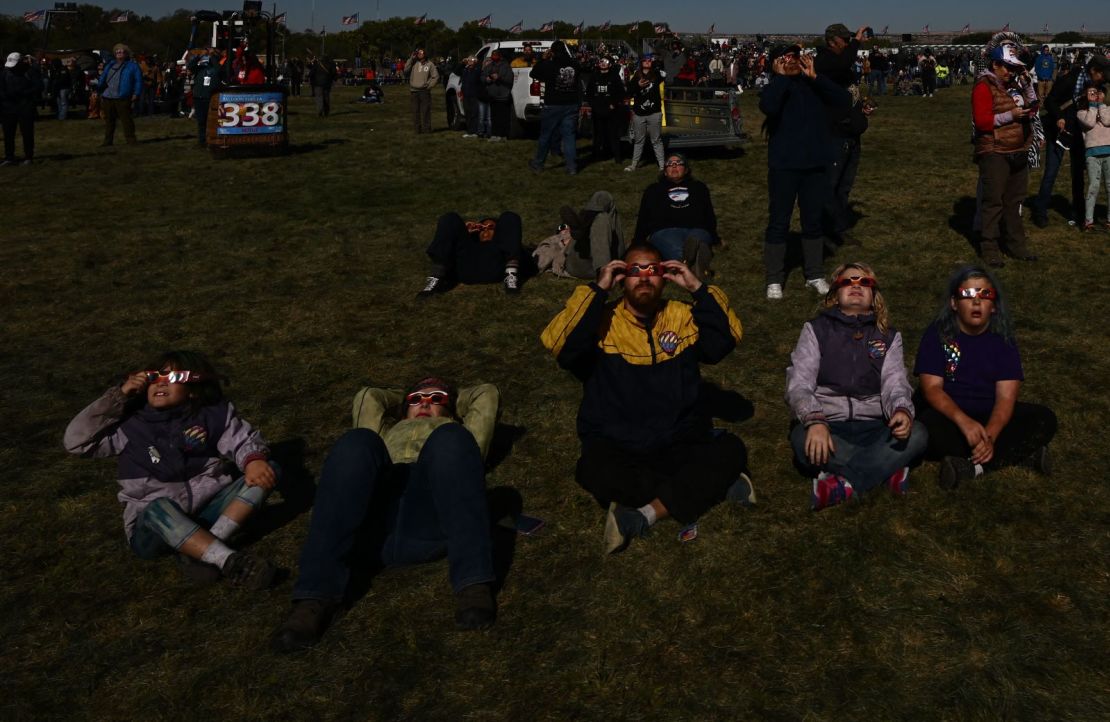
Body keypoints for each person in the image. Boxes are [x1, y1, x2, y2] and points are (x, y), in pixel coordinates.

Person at [541, 245, 753, 554]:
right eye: (634, 271)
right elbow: (560, 345)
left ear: (665, 278)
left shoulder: (680, 317)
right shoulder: (602, 320)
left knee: (732, 449)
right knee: (593, 470)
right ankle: (709, 486)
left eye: (652, 271)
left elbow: (726, 339)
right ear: (620, 277)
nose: (644, 278)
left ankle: (644, 514)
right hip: (618, 442)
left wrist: (697, 287)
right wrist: (598, 288)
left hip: (676, 439)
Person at [270, 378, 500, 651]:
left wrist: (451, 398)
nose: (425, 402)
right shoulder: (385, 432)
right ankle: (313, 599)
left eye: (436, 399)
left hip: (429, 512)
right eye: (416, 399)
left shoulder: (459, 431)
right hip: (374, 518)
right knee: (357, 441)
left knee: (452, 438)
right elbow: (368, 396)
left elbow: (487, 394)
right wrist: (407, 395)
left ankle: (473, 585)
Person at [63, 351, 279, 589]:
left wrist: (253, 461)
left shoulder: (211, 415)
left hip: (204, 513)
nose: (161, 382)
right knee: (158, 508)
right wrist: (119, 395)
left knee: (266, 471)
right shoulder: (129, 424)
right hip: (153, 530)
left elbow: (240, 440)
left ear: (193, 389)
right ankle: (228, 561)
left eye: (174, 377)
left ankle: (202, 550)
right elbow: (76, 442)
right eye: (154, 377)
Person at [786, 262, 927, 510]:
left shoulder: (888, 336)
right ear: (834, 294)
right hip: (830, 426)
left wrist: (902, 411)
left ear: (874, 296)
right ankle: (886, 470)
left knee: (918, 434)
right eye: (847, 282)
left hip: (876, 427)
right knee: (800, 438)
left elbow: (895, 383)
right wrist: (815, 420)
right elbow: (799, 384)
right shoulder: (815, 330)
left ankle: (842, 484)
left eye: (865, 283)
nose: (856, 286)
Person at [913, 265, 1056, 489]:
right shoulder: (937, 333)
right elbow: (931, 389)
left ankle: (975, 468)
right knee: (925, 429)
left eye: (985, 294)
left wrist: (990, 435)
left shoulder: (1003, 340)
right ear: (953, 303)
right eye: (968, 294)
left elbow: (1006, 398)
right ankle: (1021, 455)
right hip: (950, 415)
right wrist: (964, 422)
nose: (977, 301)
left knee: (1044, 419)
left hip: (989, 414)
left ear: (994, 307)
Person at [760, 44, 851, 300]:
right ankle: (775, 278)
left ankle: (814, 274)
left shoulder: (813, 85)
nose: (791, 62)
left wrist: (815, 77)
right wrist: (780, 78)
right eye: (784, 58)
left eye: (795, 57)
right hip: (785, 166)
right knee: (779, 221)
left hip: (815, 165)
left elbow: (844, 100)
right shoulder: (775, 87)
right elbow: (769, 107)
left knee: (812, 221)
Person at [972, 42, 1037, 268]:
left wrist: (1028, 86)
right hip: (995, 150)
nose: (1011, 72)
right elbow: (981, 122)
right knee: (994, 201)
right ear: (995, 65)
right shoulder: (984, 86)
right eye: (1007, 67)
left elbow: (1034, 107)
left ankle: (1016, 245)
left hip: (1017, 149)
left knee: (1014, 201)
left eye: (1014, 68)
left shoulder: (1014, 85)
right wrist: (1011, 115)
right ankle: (989, 247)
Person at [1031, 54, 1109, 228]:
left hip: (1079, 133)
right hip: (1059, 131)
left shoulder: (1099, 86)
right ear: (1094, 71)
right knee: (1051, 172)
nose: (1104, 79)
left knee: (1077, 175)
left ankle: (1079, 212)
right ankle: (1040, 210)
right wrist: (1059, 117)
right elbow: (1050, 101)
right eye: (1102, 75)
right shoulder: (1069, 79)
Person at [631, 152, 719, 280]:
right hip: (665, 231)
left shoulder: (699, 187)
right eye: (670, 164)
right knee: (678, 248)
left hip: (696, 229)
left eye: (678, 163)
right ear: (665, 171)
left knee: (697, 239)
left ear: (686, 169)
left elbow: (709, 214)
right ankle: (697, 264)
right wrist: (638, 241)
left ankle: (686, 265)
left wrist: (714, 236)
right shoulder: (653, 189)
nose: (674, 166)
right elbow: (644, 216)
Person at [418, 211, 525, 296]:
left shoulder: (502, 246)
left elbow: (517, 248)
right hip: (466, 269)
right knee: (450, 218)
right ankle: (435, 278)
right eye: (482, 228)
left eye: (491, 227)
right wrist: (463, 232)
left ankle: (511, 276)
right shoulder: (470, 245)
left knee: (509, 216)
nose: (486, 230)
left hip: (496, 268)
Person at [536, 191, 626, 279]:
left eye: (568, 226)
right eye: (562, 227)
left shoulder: (597, 226)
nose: (566, 229)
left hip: (610, 255)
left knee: (603, 197)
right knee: (602, 218)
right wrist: (562, 244)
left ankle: (586, 222)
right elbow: (541, 259)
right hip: (581, 263)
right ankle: (603, 271)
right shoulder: (556, 239)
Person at [529, 41, 580, 175]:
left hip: (553, 103)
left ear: (552, 51)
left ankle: (538, 163)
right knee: (569, 137)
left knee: (546, 135)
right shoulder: (574, 64)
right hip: (571, 103)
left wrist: (542, 59)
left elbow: (533, 74)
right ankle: (571, 167)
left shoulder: (549, 64)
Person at [1076, 82, 1110, 230]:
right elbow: (1089, 123)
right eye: (1092, 92)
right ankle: (1088, 220)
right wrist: (1092, 105)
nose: (1096, 95)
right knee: (1093, 187)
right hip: (1092, 154)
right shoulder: (1081, 112)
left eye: (1098, 92)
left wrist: (1101, 105)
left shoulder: (1108, 109)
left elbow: (1107, 120)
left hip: (1109, 152)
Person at [624, 55, 666, 173]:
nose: (648, 62)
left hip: (654, 113)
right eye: (645, 60)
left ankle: (662, 166)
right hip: (639, 113)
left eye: (649, 60)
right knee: (638, 140)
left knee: (656, 140)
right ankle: (634, 164)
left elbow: (665, 73)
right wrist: (638, 86)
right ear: (641, 62)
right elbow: (629, 93)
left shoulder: (656, 74)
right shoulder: (636, 75)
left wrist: (657, 62)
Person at [97, 44, 142, 146]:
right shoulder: (110, 65)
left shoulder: (133, 66)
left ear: (126, 53)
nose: (119, 53)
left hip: (123, 96)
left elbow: (138, 81)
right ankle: (107, 141)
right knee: (109, 121)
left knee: (126, 120)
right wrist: (99, 87)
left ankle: (131, 140)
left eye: (121, 51)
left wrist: (136, 93)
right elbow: (103, 77)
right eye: (117, 52)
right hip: (108, 96)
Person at [585, 56, 625, 164]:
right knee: (598, 134)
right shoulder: (594, 76)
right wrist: (593, 105)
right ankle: (596, 156)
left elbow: (621, 93)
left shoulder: (614, 76)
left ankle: (617, 157)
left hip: (612, 110)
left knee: (613, 134)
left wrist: (614, 103)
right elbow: (589, 93)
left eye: (605, 62)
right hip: (597, 110)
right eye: (601, 61)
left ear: (610, 64)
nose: (603, 63)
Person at [0, 52, 37, 165]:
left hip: (25, 107)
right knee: (8, 134)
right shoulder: (4, 73)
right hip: (8, 107)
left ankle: (28, 156)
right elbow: (1, 88)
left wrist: (23, 93)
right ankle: (9, 157)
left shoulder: (30, 71)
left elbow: (38, 86)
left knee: (27, 133)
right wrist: (6, 96)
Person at [187, 48, 221, 147]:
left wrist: (212, 56)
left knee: (210, 120)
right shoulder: (200, 69)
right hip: (199, 97)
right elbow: (190, 66)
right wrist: (199, 56)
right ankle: (202, 141)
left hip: (209, 97)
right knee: (201, 121)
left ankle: (211, 139)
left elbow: (219, 69)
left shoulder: (215, 68)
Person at [405, 48, 439, 134]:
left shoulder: (430, 64)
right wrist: (411, 58)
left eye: (421, 52)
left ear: (425, 54)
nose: (419, 54)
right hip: (414, 91)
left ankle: (427, 130)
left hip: (424, 91)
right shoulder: (413, 63)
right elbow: (405, 70)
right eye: (418, 53)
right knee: (415, 112)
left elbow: (435, 77)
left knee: (425, 111)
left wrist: (428, 86)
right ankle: (417, 130)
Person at [482, 50, 512, 142]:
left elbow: (509, 80)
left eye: (496, 55)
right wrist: (486, 79)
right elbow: (482, 76)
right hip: (492, 95)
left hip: (503, 95)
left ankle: (503, 135)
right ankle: (494, 134)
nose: (494, 56)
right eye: (493, 55)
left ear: (500, 56)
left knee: (503, 116)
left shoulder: (506, 66)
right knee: (494, 116)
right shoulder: (489, 66)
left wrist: (499, 78)